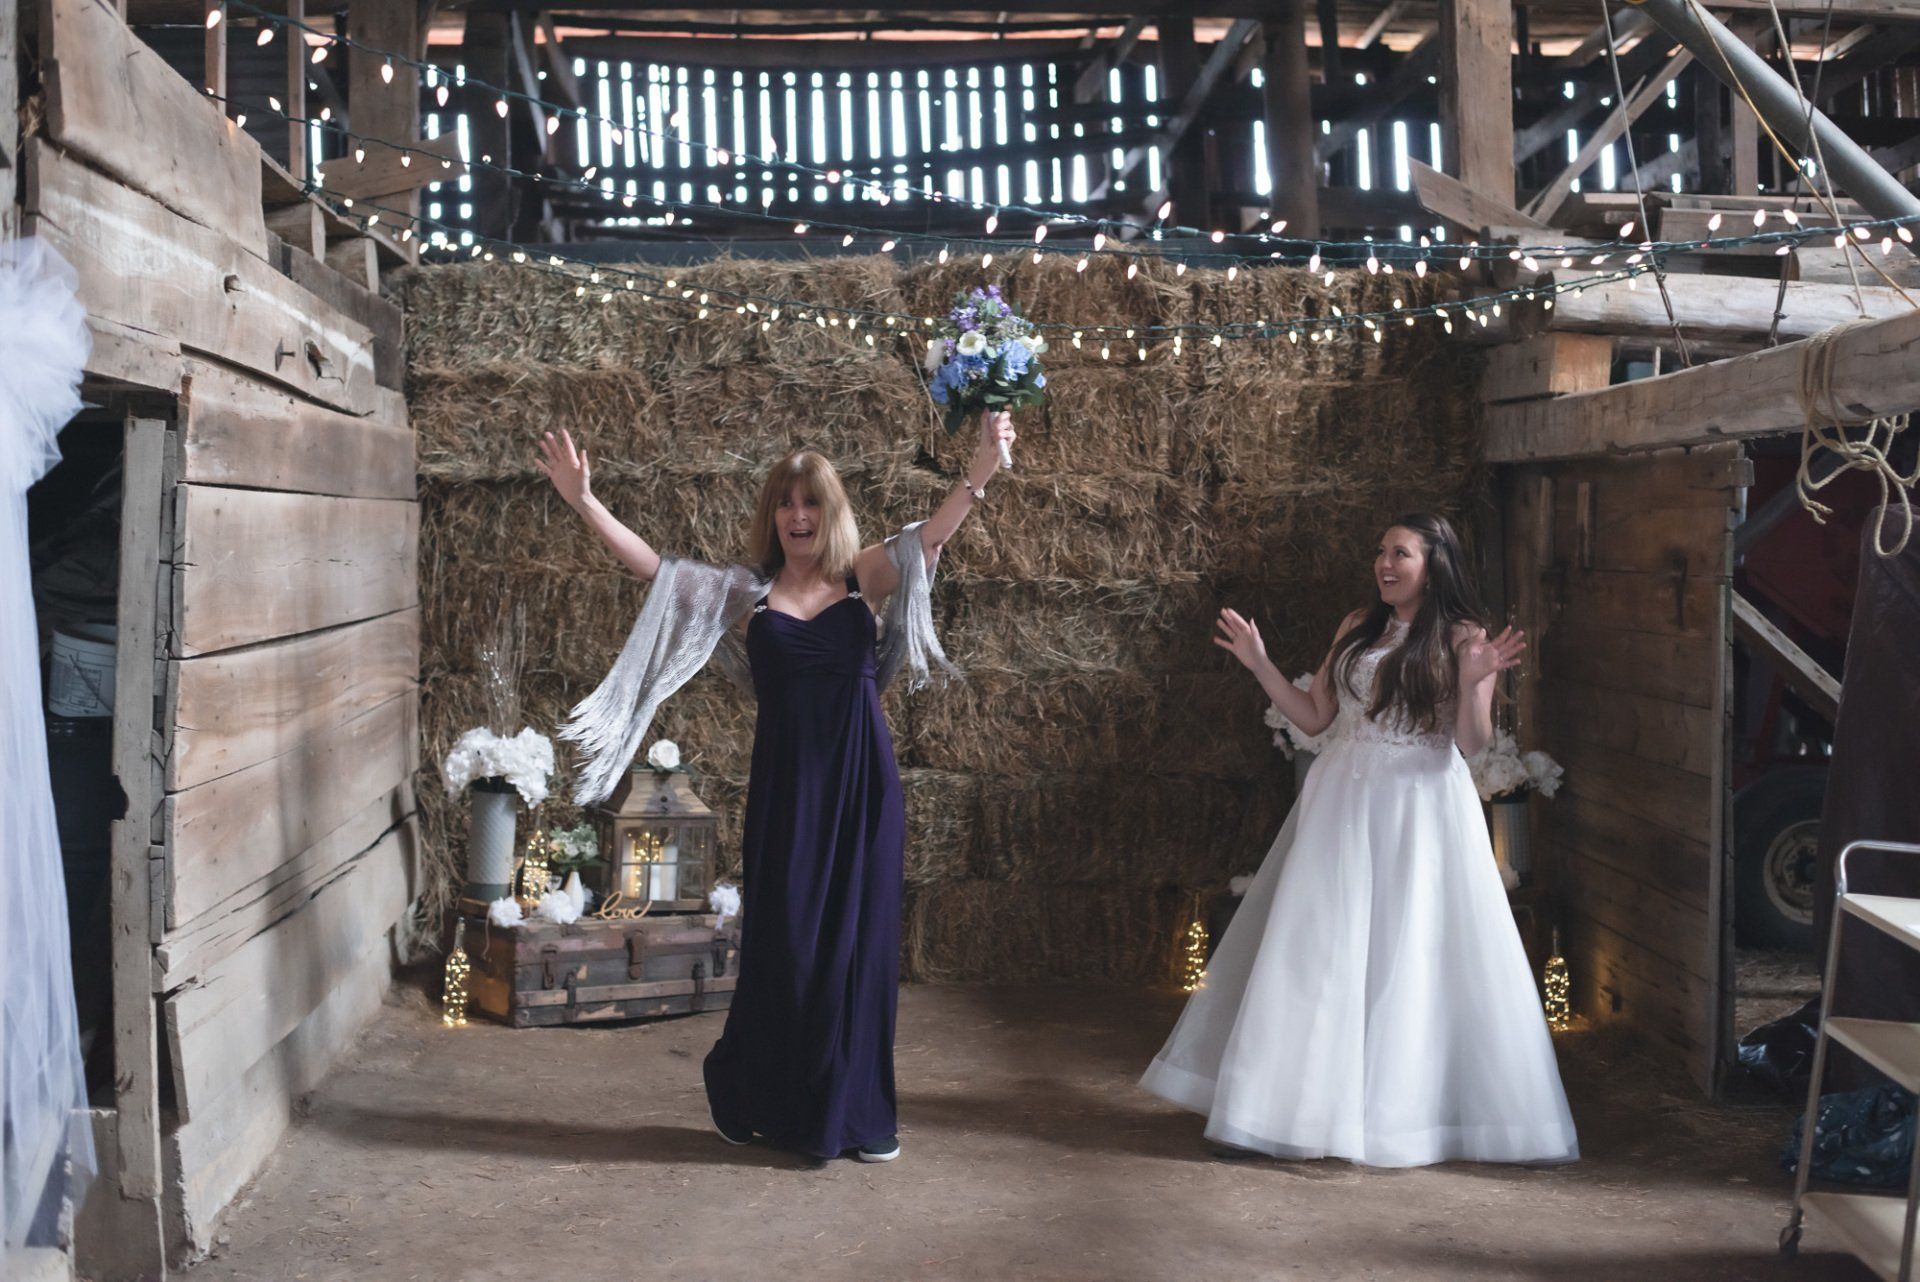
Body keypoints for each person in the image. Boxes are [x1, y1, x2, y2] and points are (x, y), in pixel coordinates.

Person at [536, 410, 1015, 1163]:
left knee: (858, 951)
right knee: (786, 948)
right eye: (786, 503)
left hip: (863, 793)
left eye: (812, 502)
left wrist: (983, 467)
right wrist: (584, 501)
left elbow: (932, 538)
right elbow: (655, 572)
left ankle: (855, 1117)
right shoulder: (747, 594)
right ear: (772, 517)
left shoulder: (865, 580)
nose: (798, 515)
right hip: (789, 798)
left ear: (831, 513)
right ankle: (758, 1095)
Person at [1140, 512, 1579, 1167]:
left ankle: (1399, 1120)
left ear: (1434, 564)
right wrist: (1260, 664)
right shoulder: (1355, 627)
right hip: (1342, 801)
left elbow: (1470, 744)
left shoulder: (1465, 637)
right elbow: (1316, 719)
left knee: (1411, 953)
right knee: (1318, 949)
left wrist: (1474, 678)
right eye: (1380, 552)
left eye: (1400, 553)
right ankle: (1286, 1111)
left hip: (1419, 807)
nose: (1385, 564)